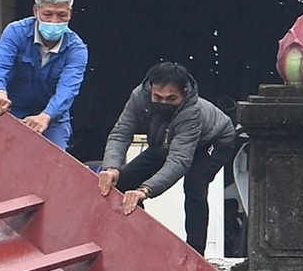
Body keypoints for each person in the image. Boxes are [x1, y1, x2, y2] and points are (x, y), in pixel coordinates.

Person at [97, 61, 244, 254]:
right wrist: (111, 167)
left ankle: (195, 253)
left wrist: (146, 190)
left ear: (184, 93)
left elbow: (179, 161)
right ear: (150, 88)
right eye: (158, 97)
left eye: (171, 98)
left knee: (194, 185)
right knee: (123, 182)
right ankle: (139, 240)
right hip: (165, 143)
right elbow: (121, 132)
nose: (163, 102)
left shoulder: (192, 112)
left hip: (214, 141)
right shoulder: (138, 97)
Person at [0, 0, 86, 150]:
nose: (54, 21)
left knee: (55, 161)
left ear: (70, 13)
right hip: (9, 111)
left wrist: (45, 116)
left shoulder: (77, 49)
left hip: (52, 118)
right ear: (35, 11)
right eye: (48, 14)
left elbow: (67, 90)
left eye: (62, 15)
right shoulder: (15, 32)